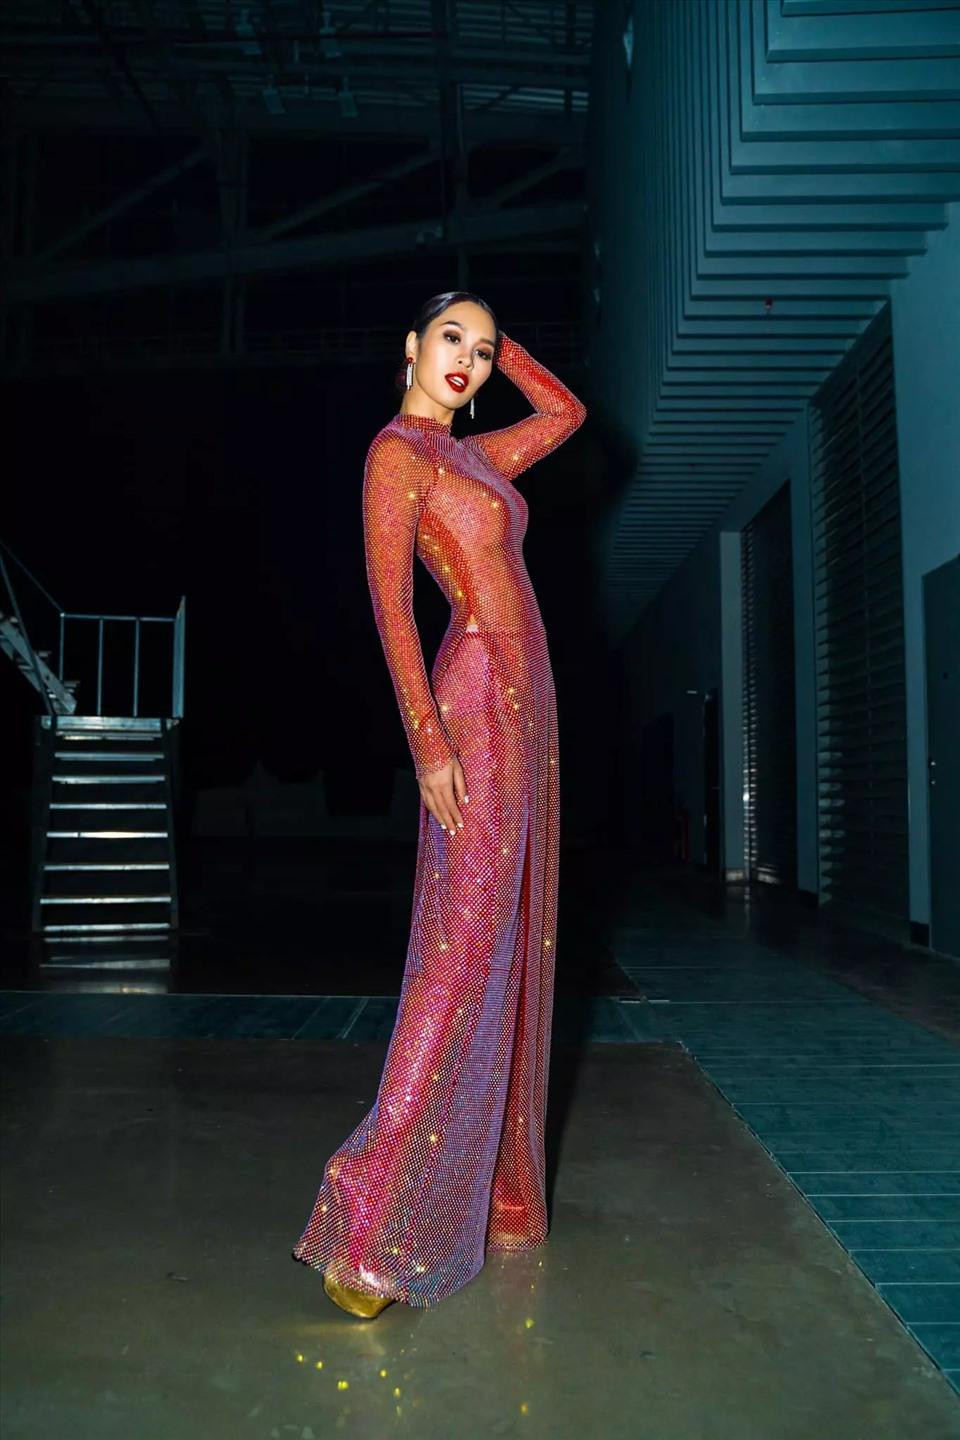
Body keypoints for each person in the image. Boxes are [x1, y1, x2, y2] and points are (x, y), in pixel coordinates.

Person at [291, 290, 586, 1317]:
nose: (468, 359)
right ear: (411, 345)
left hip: (530, 706)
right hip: (474, 703)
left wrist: (505, 347)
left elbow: (565, 415)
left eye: (484, 350)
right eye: (451, 338)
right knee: (459, 956)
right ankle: (367, 1228)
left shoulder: (474, 458)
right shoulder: (397, 455)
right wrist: (427, 743)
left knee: (507, 944)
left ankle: (491, 1192)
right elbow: (392, 605)